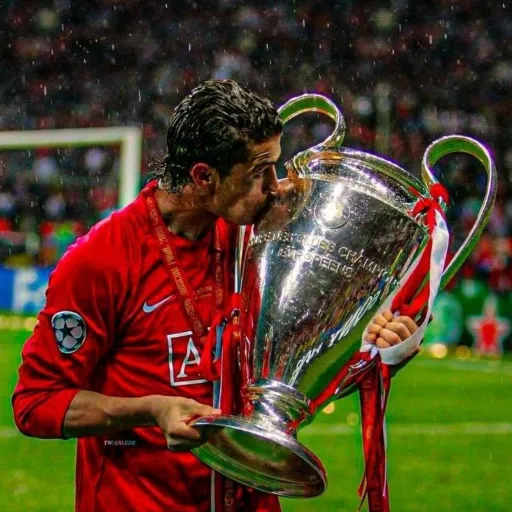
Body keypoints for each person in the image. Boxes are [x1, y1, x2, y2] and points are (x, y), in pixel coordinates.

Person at [12, 80, 420, 512]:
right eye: (259, 172)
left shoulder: (266, 243)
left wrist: (374, 352)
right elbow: (36, 404)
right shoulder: (102, 260)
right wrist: (150, 410)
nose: (276, 186)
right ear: (204, 176)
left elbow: (293, 380)